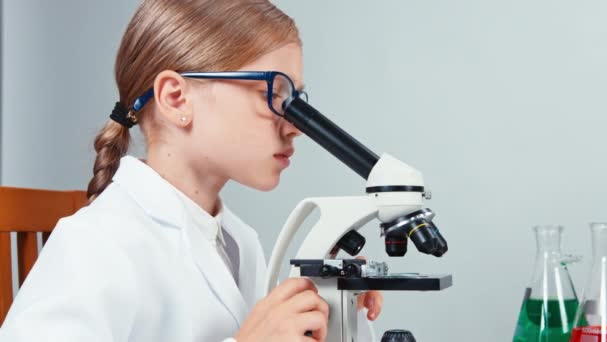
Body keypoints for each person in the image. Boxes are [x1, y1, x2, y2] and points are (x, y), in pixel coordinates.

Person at [0, 0, 383, 341]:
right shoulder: (95, 244)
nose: (296, 125)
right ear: (176, 98)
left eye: (296, 100)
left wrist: (331, 313)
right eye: (274, 93)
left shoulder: (238, 242)